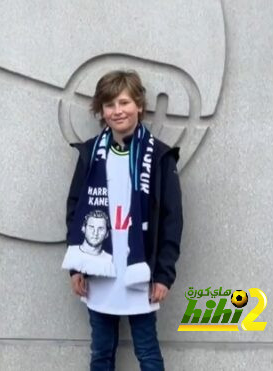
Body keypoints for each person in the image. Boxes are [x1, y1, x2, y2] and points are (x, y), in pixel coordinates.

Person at [62, 70, 182, 371]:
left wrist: (164, 274)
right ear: (101, 111)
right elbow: (75, 209)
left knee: (147, 352)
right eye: (109, 105)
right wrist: (77, 265)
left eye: (124, 102)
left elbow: (172, 220)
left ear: (139, 105)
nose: (117, 111)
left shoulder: (159, 157)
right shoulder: (91, 153)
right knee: (101, 352)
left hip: (140, 272)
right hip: (98, 270)